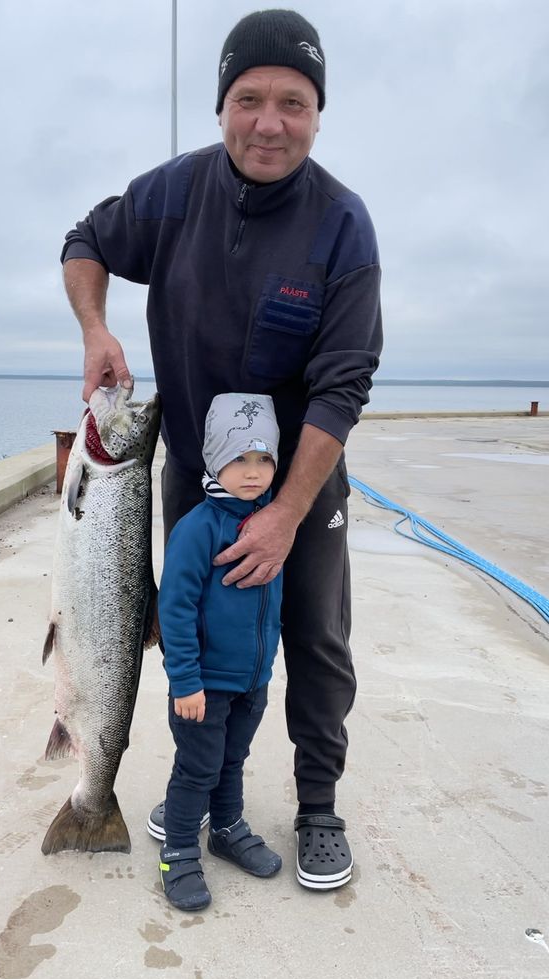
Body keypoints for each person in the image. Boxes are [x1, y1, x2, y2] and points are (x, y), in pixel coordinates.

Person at [61, 8, 383, 891]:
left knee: (314, 639)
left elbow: (342, 385)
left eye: (293, 102)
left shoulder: (342, 225)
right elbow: (86, 240)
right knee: (186, 634)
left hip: (302, 480)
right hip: (194, 482)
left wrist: (283, 515)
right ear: (221, 106)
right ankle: (197, 789)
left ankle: (317, 806)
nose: (269, 122)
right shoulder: (173, 194)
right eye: (249, 98)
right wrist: (97, 328)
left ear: (318, 114)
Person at [154, 392, 283, 911]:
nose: (251, 471)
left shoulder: (274, 525)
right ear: (213, 460)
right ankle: (178, 850)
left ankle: (227, 829)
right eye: (237, 458)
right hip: (202, 687)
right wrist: (184, 681)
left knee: (233, 761)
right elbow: (175, 609)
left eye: (262, 458)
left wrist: (266, 667)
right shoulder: (196, 529)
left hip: (252, 681)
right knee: (196, 769)